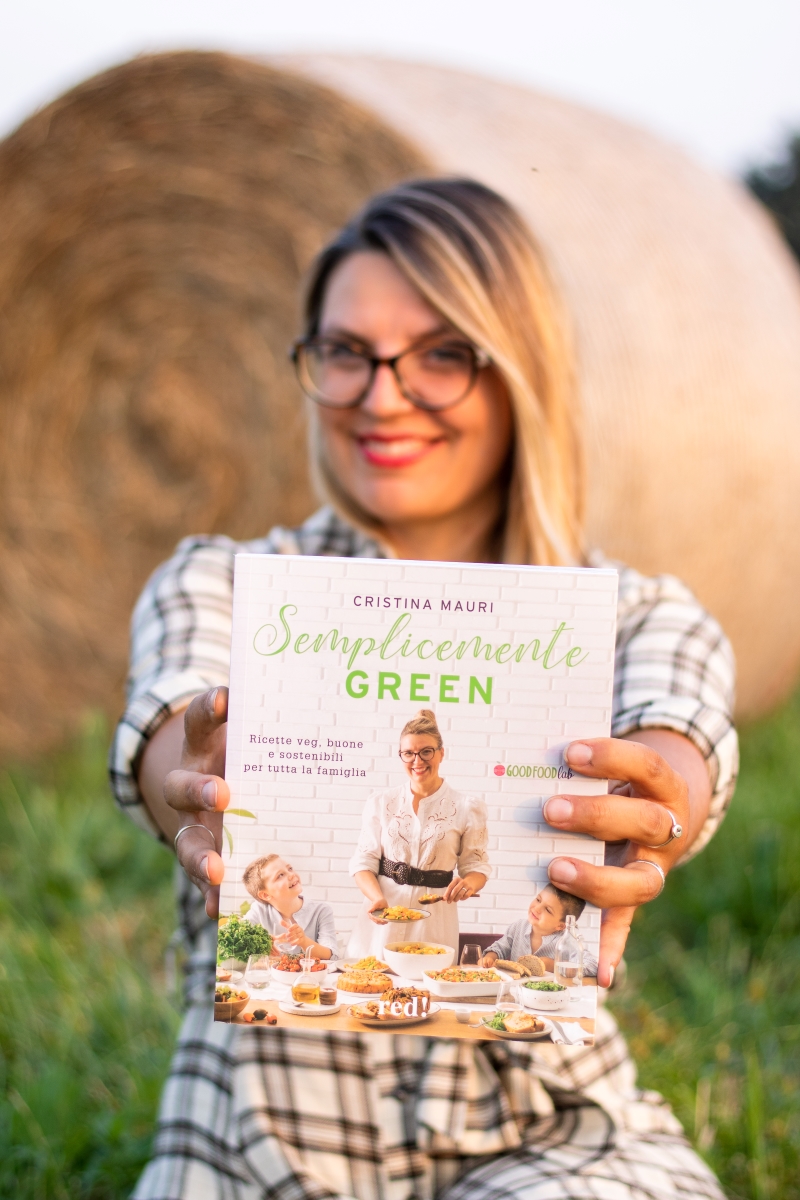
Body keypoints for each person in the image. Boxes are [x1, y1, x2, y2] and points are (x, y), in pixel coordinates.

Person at [110, 178, 737, 1200]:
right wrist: (188, 774)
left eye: (441, 354)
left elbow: (678, 738)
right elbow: (169, 717)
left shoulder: (631, 613)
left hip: (547, 1136)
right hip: (255, 1154)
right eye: (346, 352)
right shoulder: (221, 582)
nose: (382, 394)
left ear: (519, 373)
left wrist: (650, 803)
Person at [348, 708, 490, 958]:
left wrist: (467, 884)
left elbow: (477, 865)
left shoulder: (467, 807)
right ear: (400, 756)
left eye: (426, 751)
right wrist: (377, 898)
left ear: (441, 753)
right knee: (371, 982)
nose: (417, 761)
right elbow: (364, 861)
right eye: (408, 753)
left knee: (426, 986)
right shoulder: (380, 802)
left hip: (435, 918)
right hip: (386, 912)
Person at [482, 884, 600, 977]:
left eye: (548, 910)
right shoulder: (518, 927)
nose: (537, 908)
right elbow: (499, 948)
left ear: (561, 926)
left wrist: (553, 966)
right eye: (538, 900)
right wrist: (490, 957)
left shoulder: (565, 942)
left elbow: (592, 966)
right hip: (515, 991)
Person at [242, 854, 338, 960]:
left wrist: (304, 941)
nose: (291, 875)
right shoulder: (259, 910)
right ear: (265, 895)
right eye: (280, 875)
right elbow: (238, 937)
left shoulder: (321, 911)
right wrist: (262, 942)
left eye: (290, 869)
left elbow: (332, 957)